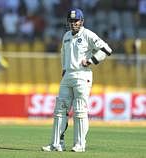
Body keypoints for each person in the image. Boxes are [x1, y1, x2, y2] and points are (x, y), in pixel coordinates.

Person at [42, 8, 112, 152]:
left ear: (82, 21)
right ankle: (56, 144)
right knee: (59, 110)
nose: (73, 23)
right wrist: (63, 70)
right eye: (71, 21)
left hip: (82, 75)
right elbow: (63, 54)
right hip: (68, 75)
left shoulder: (87, 34)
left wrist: (91, 60)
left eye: (76, 21)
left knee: (80, 111)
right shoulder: (66, 36)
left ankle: (79, 145)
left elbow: (106, 49)